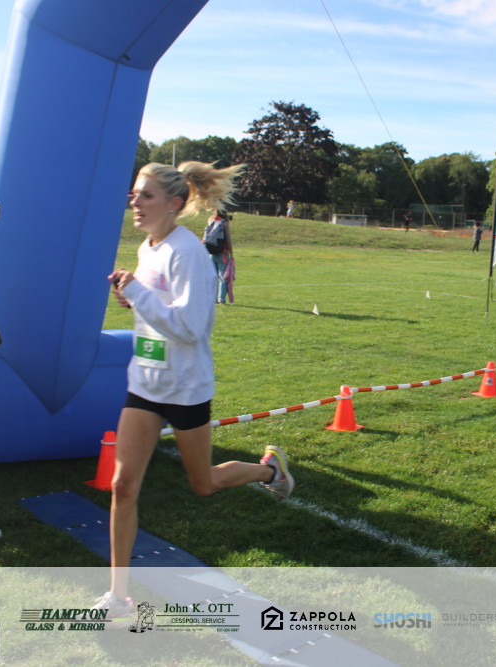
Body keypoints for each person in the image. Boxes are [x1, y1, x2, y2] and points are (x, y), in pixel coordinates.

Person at [95, 161, 293, 617]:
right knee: (123, 485)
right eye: (134, 195)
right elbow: (157, 309)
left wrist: (139, 295)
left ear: (174, 202)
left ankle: (269, 472)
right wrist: (130, 296)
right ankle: (118, 595)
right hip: (145, 382)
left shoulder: (188, 252)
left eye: (145, 195)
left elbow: (192, 327)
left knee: (202, 483)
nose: (135, 203)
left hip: (185, 388)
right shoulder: (147, 247)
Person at [204, 210, 232, 304]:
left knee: (213, 276)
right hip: (222, 252)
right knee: (223, 277)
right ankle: (222, 299)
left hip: (211, 251)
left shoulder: (210, 220)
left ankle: (213, 298)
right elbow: (228, 238)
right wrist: (231, 251)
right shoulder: (224, 222)